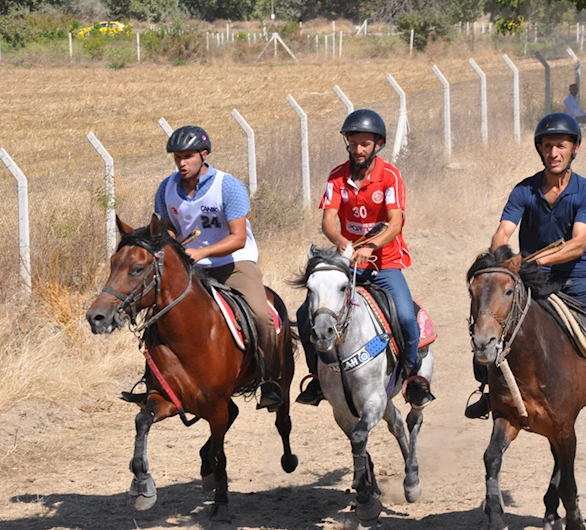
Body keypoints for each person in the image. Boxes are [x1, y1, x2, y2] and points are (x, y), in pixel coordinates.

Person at [465, 112, 586, 426]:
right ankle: (487, 391)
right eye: (547, 146)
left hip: (577, 281)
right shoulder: (524, 190)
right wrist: (500, 255)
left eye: (561, 146)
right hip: (531, 281)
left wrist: (532, 261)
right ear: (540, 149)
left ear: (575, 149)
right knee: (487, 321)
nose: (553, 153)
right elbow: (503, 231)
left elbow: (577, 244)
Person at [122, 125, 282, 410]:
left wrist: (202, 251)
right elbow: (167, 230)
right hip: (190, 266)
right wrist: (170, 245)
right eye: (177, 158)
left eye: (187, 157)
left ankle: (270, 380)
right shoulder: (166, 188)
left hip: (234, 264)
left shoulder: (228, 186)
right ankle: (153, 382)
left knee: (261, 314)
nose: (181, 163)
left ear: (204, 154)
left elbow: (238, 237)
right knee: (157, 318)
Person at [295, 109, 434, 408]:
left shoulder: (390, 176)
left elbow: (395, 222)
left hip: (385, 263)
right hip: (347, 263)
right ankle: (318, 377)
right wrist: (344, 244)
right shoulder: (336, 177)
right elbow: (328, 221)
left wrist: (370, 246)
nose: (358, 150)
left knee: (406, 316)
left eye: (365, 144)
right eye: (353, 143)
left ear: (378, 145)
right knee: (304, 315)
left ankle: (412, 377)